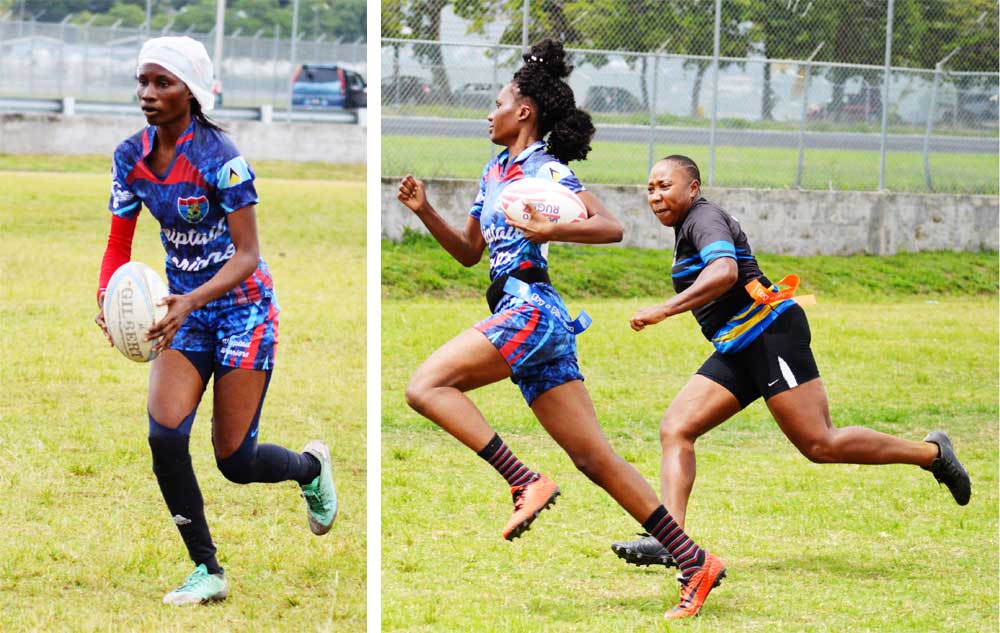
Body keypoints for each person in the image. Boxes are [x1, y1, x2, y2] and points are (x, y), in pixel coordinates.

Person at [397, 40, 724, 620]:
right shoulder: (494, 171)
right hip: (526, 317)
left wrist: (552, 233)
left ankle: (523, 480)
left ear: (523, 111)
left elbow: (611, 226)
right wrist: (425, 211)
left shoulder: (545, 170)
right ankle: (695, 561)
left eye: (496, 102)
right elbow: (471, 254)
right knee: (595, 458)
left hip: (531, 311)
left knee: (426, 386)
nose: (488, 112)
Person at [610, 154, 971, 569]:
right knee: (677, 428)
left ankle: (932, 454)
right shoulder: (687, 226)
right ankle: (672, 538)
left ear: (692, 188)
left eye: (665, 186)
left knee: (820, 443)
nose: (655, 195)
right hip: (739, 344)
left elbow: (725, 271)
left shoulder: (701, 219)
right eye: (650, 188)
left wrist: (666, 309)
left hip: (769, 335)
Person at [94, 36, 337, 606]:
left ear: (190, 91)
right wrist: (107, 298)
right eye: (142, 82)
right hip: (181, 311)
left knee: (235, 460)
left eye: (162, 83)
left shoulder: (220, 156)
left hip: (242, 308)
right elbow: (117, 244)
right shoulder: (129, 157)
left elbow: (247, 255)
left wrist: (189, 300)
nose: (147, 94)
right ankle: (208, 569)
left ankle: (309, 468)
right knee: (164, 436)